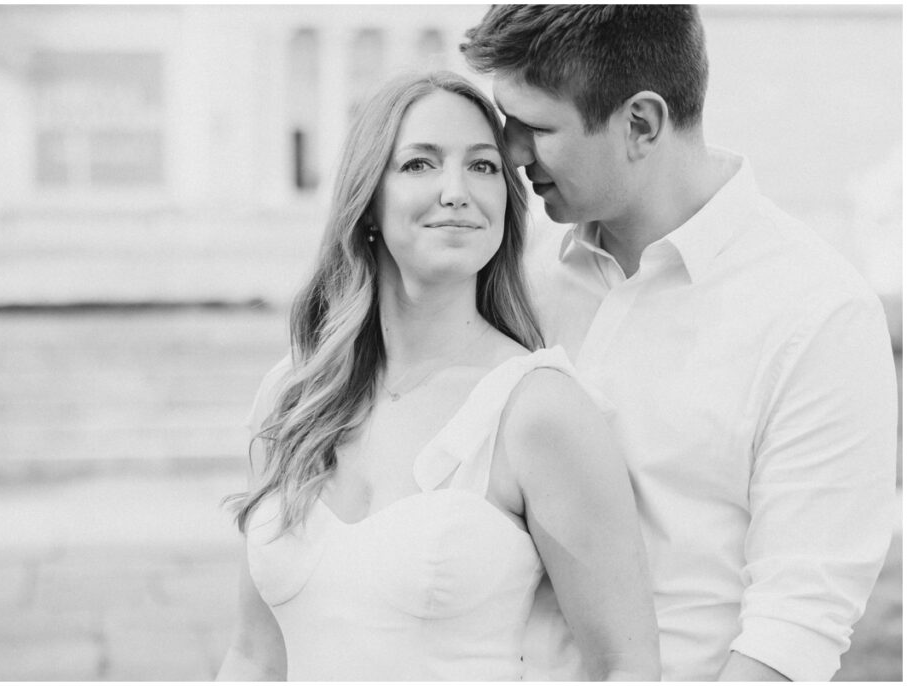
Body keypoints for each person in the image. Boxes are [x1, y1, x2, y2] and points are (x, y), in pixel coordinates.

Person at [461, 4, 899, 682]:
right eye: (507, 121)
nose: (512, 153)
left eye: (537, 128)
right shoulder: (519, 279)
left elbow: (793, 629)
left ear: (640, 123)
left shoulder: (818, 314)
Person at [215, 71, 660, 681]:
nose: (456, 191)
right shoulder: (293, 394)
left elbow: (626, 666)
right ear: (367, 201)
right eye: (420, 164)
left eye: (482, 167)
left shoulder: (537, 409)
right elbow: (253, 657)